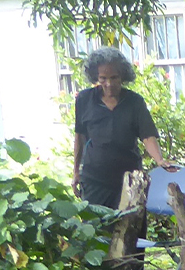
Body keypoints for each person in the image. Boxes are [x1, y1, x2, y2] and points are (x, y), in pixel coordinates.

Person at [70, 46, 171, 211]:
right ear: (95, 77)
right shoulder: (84, 99)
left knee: (131, 224)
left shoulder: (135, 102)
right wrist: (76, 172)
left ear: (123, 76)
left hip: (129, 181)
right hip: (94, 181)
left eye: (114, 77)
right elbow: (79, 137)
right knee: (97, 225)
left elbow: (147, 136)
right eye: (103, 78)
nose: (109, 84)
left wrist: (159, 160)